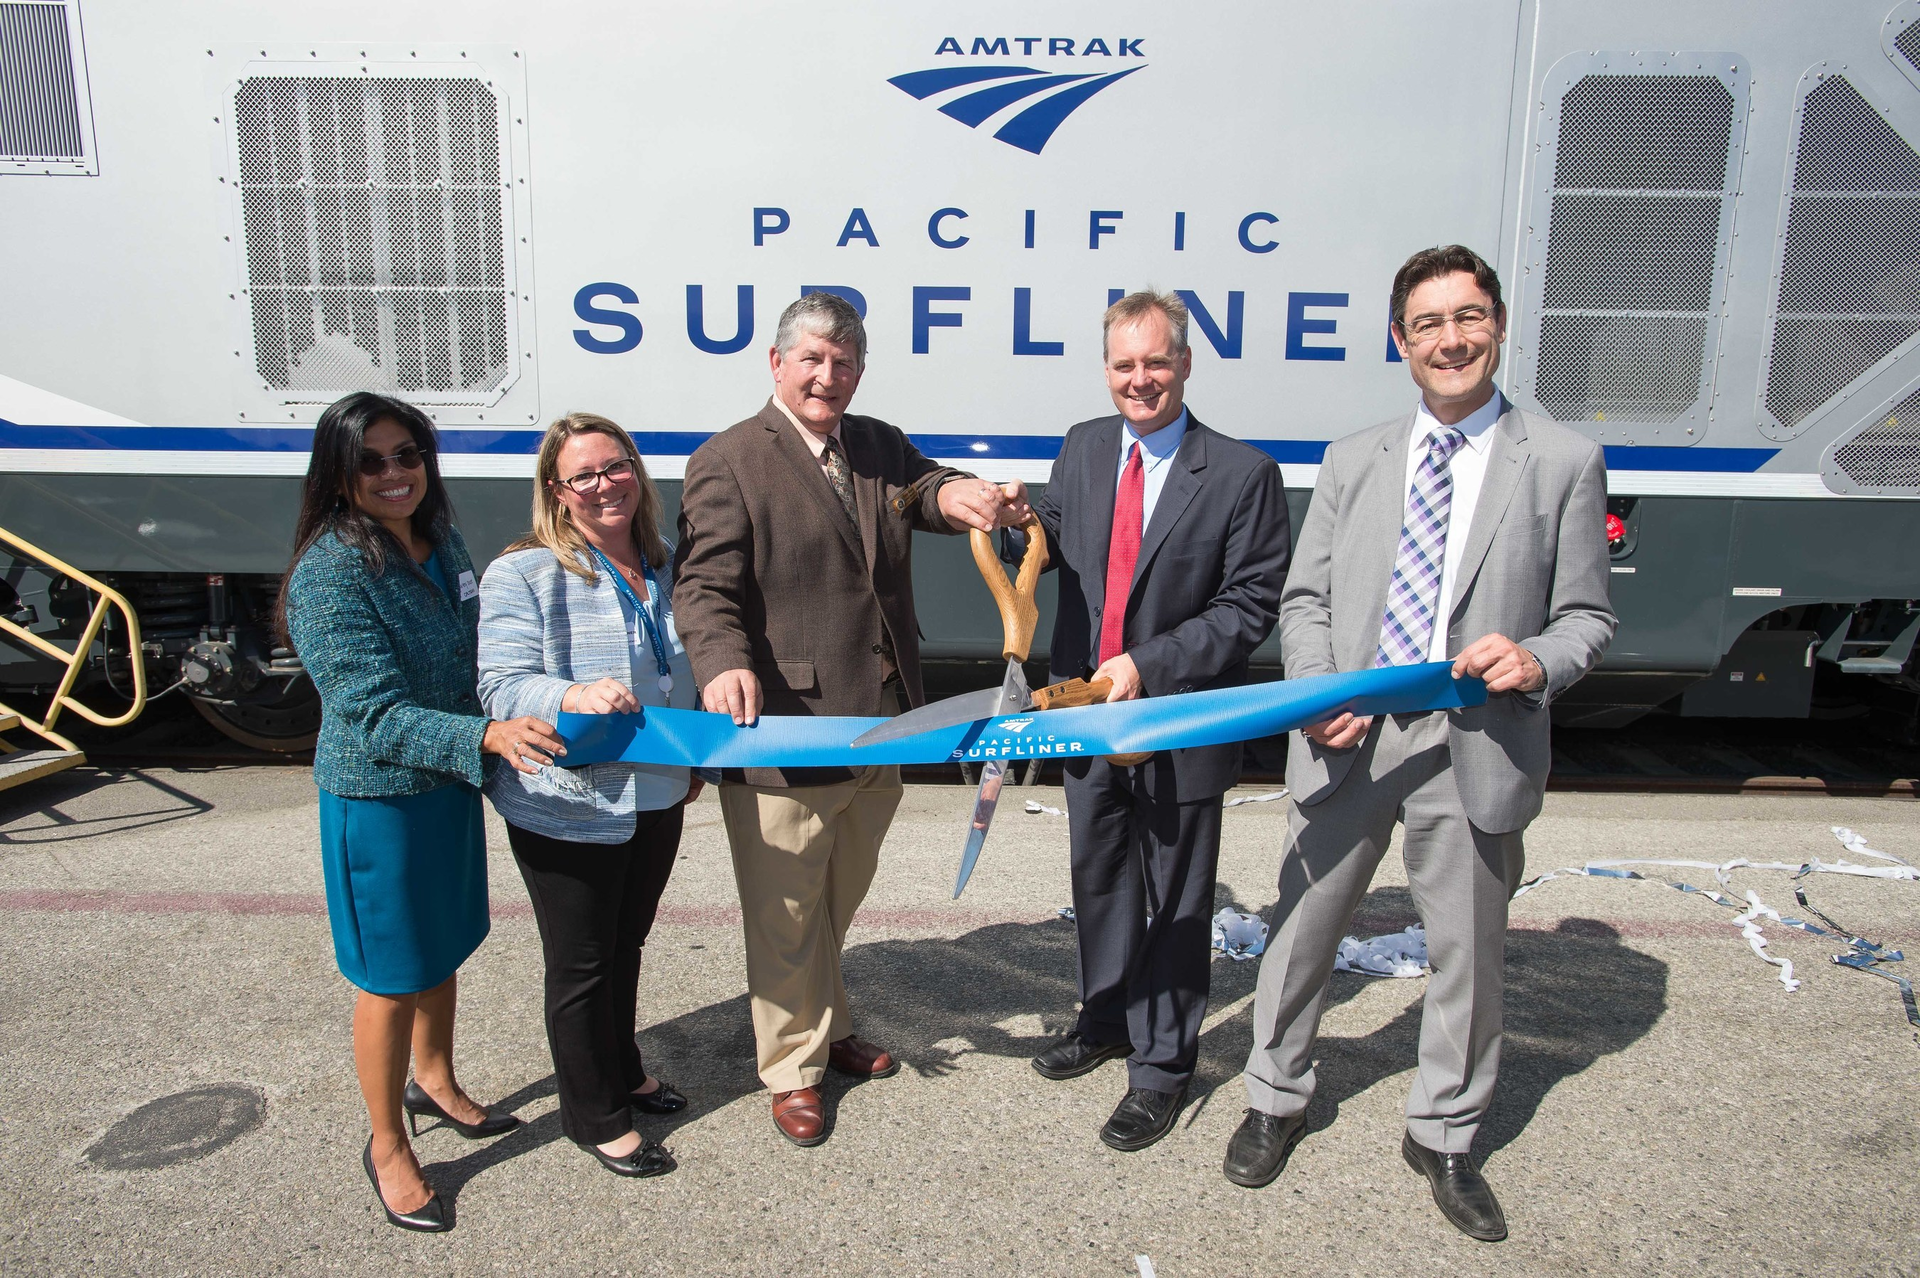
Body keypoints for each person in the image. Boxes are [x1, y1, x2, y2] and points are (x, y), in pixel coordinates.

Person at [1226, 245, 1616, 1241]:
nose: (1452, 339)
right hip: (1350, 737)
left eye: (1469, 316)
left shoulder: (1563, 462)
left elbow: (1587, 619)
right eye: (1430, 323)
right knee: (1302, 933)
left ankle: (1444, 1131)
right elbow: (1304, 599)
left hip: (1476, 742)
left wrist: (1533, 659)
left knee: (1468, 956)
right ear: (1400, 343)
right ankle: (1274, 1096)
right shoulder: (1355, 459)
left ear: (1496, 325)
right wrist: (1317, 693)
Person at [672, 291, 1029, 1147]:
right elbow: (702, 586)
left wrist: (971, 499)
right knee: (786, 907)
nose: (826, 377)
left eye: (842, 363)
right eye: (811, 360)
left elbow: (926, 492)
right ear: (776, 364)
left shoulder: (874, 444)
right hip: (787, 730)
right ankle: (792, 1068)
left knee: (837, 896)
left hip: (881, 722)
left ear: (859, 372)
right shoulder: (727, 461)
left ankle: (827, 1027)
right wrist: (722, 667)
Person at [1011, 292, 1291, 1151]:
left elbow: (1251, 607)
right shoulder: (1086, 446)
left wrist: (1149, 665)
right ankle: (1103, 1018)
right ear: (1107, 371)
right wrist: (1021, 514)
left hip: (1179, 717)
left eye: (1156, 363)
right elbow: (1063, 533)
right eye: (1125, 366)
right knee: (1097, 876)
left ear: (1185, 365)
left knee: (1174, 897)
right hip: (1084, 714)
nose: (1141, 380)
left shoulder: (1243, 474)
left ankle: (1162, 1070)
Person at [280, 391, 563, 1233]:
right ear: (338, 473)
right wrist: (491, 733)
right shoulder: (329, 570)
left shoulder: (438, 539)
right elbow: (370, 714)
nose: (395, 473)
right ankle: (387, 1144)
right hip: (381, 801)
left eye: (408, 454)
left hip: (446, 783)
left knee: (441, 945)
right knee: (391, 975)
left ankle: (433, 1079)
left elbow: (480, 637)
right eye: (371, 461)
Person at [477, 413, 698, 1180]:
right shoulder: (525, 572)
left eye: (616, 467)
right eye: (584, 475)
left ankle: (626, 1069)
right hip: (568, 801)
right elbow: (501, 686)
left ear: (636, 472)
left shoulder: (665, 565)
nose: (605, 485)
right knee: (580, 963)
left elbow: (683, 673)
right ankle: (594, 1116)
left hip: (656, 791)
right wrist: (572, 693)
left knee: (626, 946)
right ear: (556, 491)